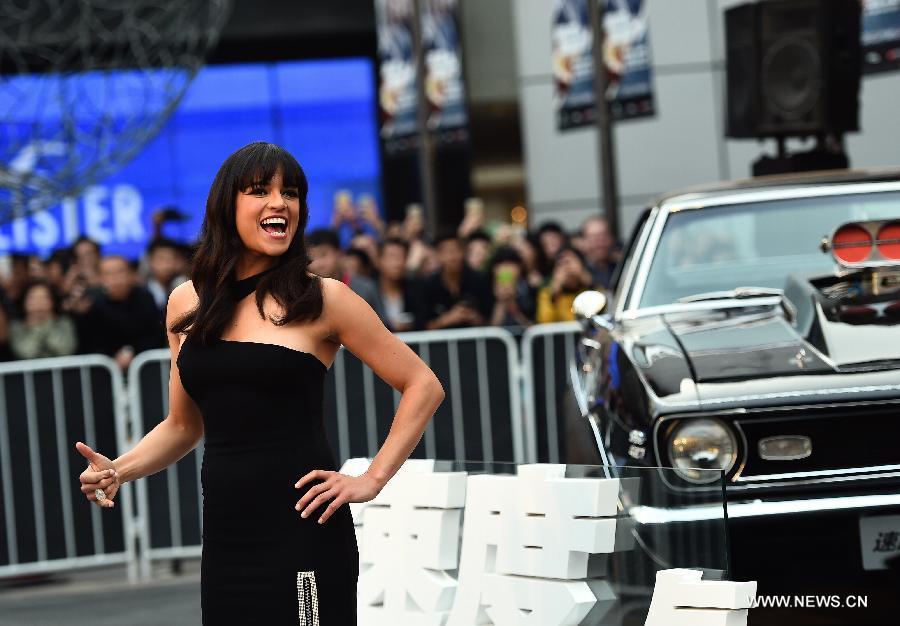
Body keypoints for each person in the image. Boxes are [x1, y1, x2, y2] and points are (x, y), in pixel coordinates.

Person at [74, 141, 444, 625]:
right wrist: (119, 470)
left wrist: (371, 479)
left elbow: (423, 384)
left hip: (304, 534)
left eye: (290, 193)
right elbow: (183, 426)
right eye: (260, 191)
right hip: (226, 540)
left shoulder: (323, 298)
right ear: (226, 206)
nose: (279, 203)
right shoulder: (186, 302)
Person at [69, 255, 166, 371]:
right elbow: (87, 342)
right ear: (100, 278)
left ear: (131, 275)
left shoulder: (145, 297)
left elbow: (154, 334)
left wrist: (132, 350)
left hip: (144, 367)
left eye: (120, 272)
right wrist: (80, 316)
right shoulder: (90, 302)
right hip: (102, 370)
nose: (115, 278)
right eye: (108, 274)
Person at [416, 230, 494, 330]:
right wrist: (448, 319)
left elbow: (491, 320)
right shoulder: (427, 285)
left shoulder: (479, 280)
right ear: (438, 255)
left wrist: (473, 317)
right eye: (447, 252)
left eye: (456, 250)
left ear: (463, 252)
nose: (452, 257)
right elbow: (421, 326)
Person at [306, 227, 387, 321]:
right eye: (312, 258)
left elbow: (382, 325)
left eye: (323, 255)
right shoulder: (306, 294)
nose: (318, 264)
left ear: (339, 254)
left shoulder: (365, 289)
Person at [8, 280, 78, 359]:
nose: (39, 302)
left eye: (44, 297)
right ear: (24, 301)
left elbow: (65, 350)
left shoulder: (64, 322)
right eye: (33, 298)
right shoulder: (17, 327)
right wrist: (36, 327)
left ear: (52, 301)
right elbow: (27, 353)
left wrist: (48, 323)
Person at [535, 245, 595, 323]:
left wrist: (589, 285)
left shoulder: (590, 289)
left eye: (570, 262)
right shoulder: (547, 293)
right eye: (561, 264)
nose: (567, 268)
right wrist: (554, 293)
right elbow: (544, 321)